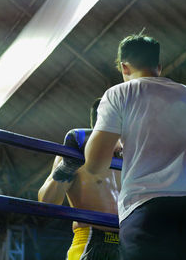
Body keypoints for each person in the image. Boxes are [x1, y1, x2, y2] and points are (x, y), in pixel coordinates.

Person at [79, 34, 186, 260]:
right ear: (159, 66)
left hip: (147, 211)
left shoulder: (119, 93)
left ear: (124, 67)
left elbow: (95, 164)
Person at [38, 98, 121, 260]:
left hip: (130, 242)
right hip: (91, 240)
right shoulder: (76, 153)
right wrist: (67, 167)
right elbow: (46, 202)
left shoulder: (131, 160)